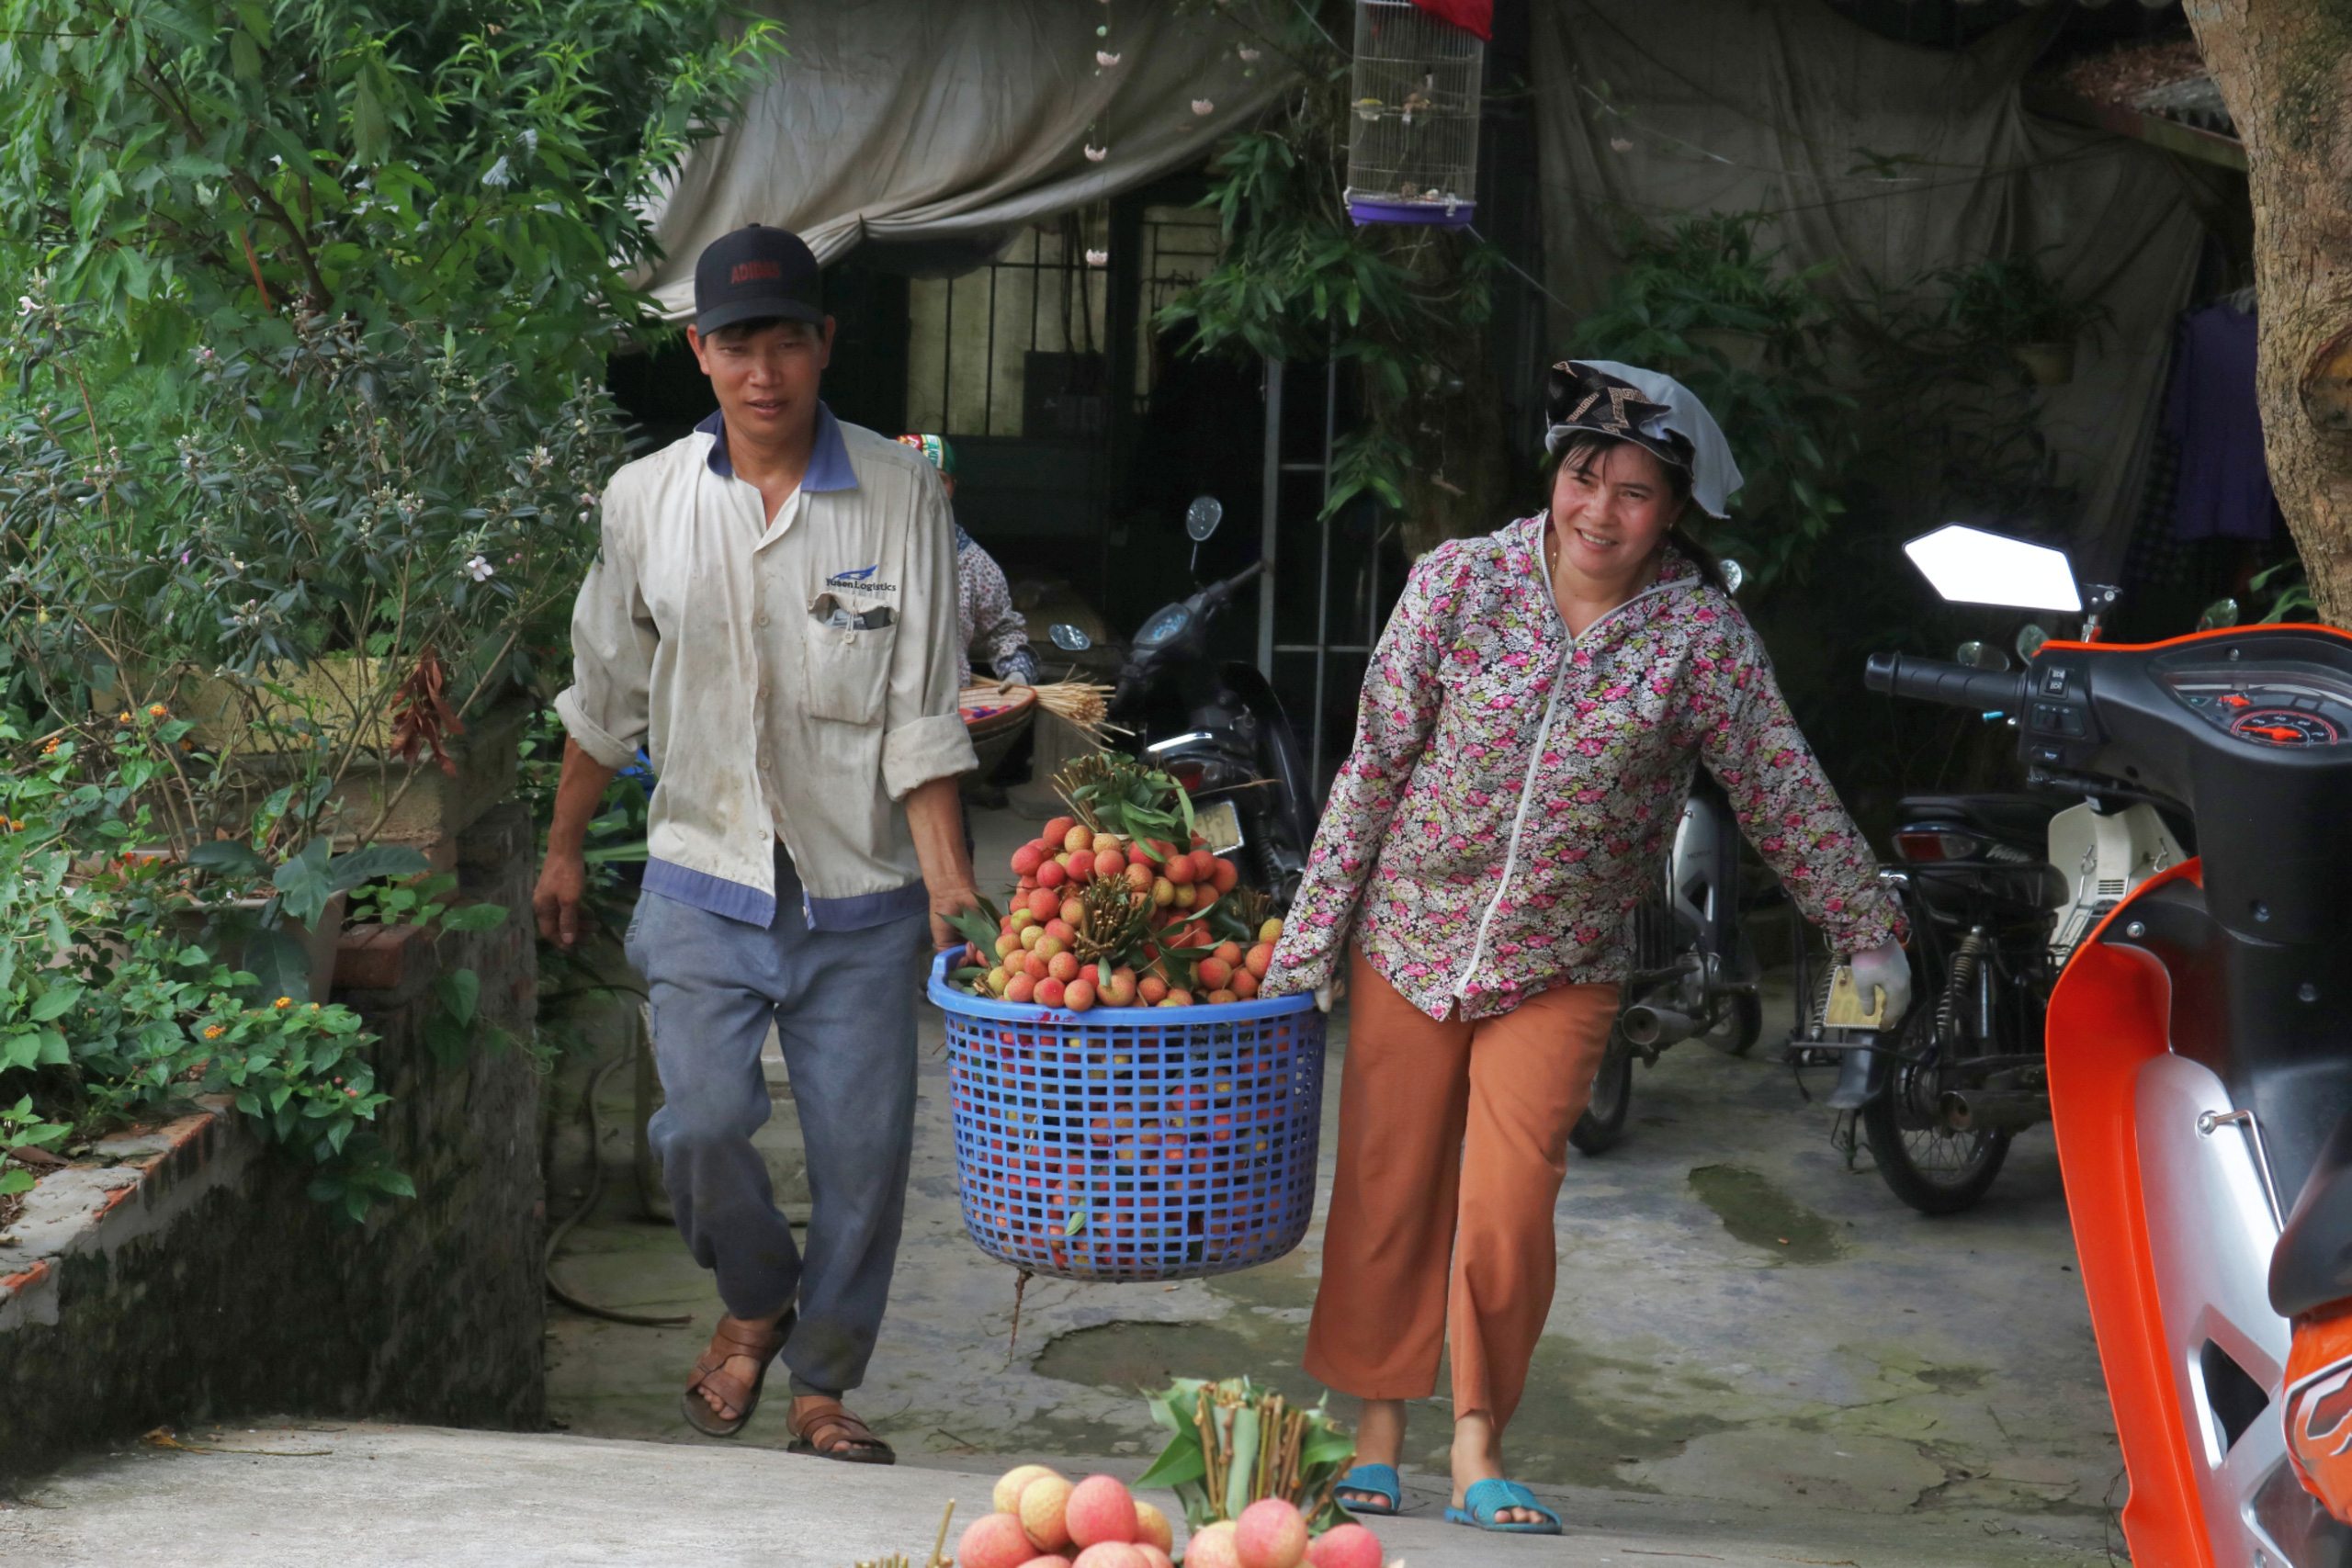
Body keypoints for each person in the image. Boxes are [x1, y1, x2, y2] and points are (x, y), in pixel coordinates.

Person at [1260, 360, 1911, 1533]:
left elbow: (1777, 782)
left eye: (1634, 493)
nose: (1598, 512)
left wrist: (1865, 928)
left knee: (1507, 1204)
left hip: (1561, 959)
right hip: (1410, 929)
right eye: (1583, 476)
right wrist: (1310, 936)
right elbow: (1376, 764)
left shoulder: (1697, 637)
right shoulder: (1457, 583)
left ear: (1675, 513)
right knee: (1386, 1186)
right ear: (1554, 474)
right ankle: (1374, 1431)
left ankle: (1477, 1441)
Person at [534, 224, 982, 1461]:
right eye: (739, 341)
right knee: (698, 1123)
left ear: (825, 343)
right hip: (701, 864)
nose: (765, 367)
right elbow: (605, 694)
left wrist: (952, 885)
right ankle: (755, 1294)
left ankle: (822, 1384)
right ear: (700, 353)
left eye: (789, 337)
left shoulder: (900, 496)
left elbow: (924, 715)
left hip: (862, 885)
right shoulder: (646, 503)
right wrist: (564, 846)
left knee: (866, 1160)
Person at [895, 433, 1037, 689]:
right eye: (913, 477)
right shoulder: (861, 549)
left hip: (945, 710)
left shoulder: (973, 564)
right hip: (869, 713)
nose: (927, 488)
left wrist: (1017, 673)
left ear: (952, 487)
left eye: (939, 479)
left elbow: (1004, 631)